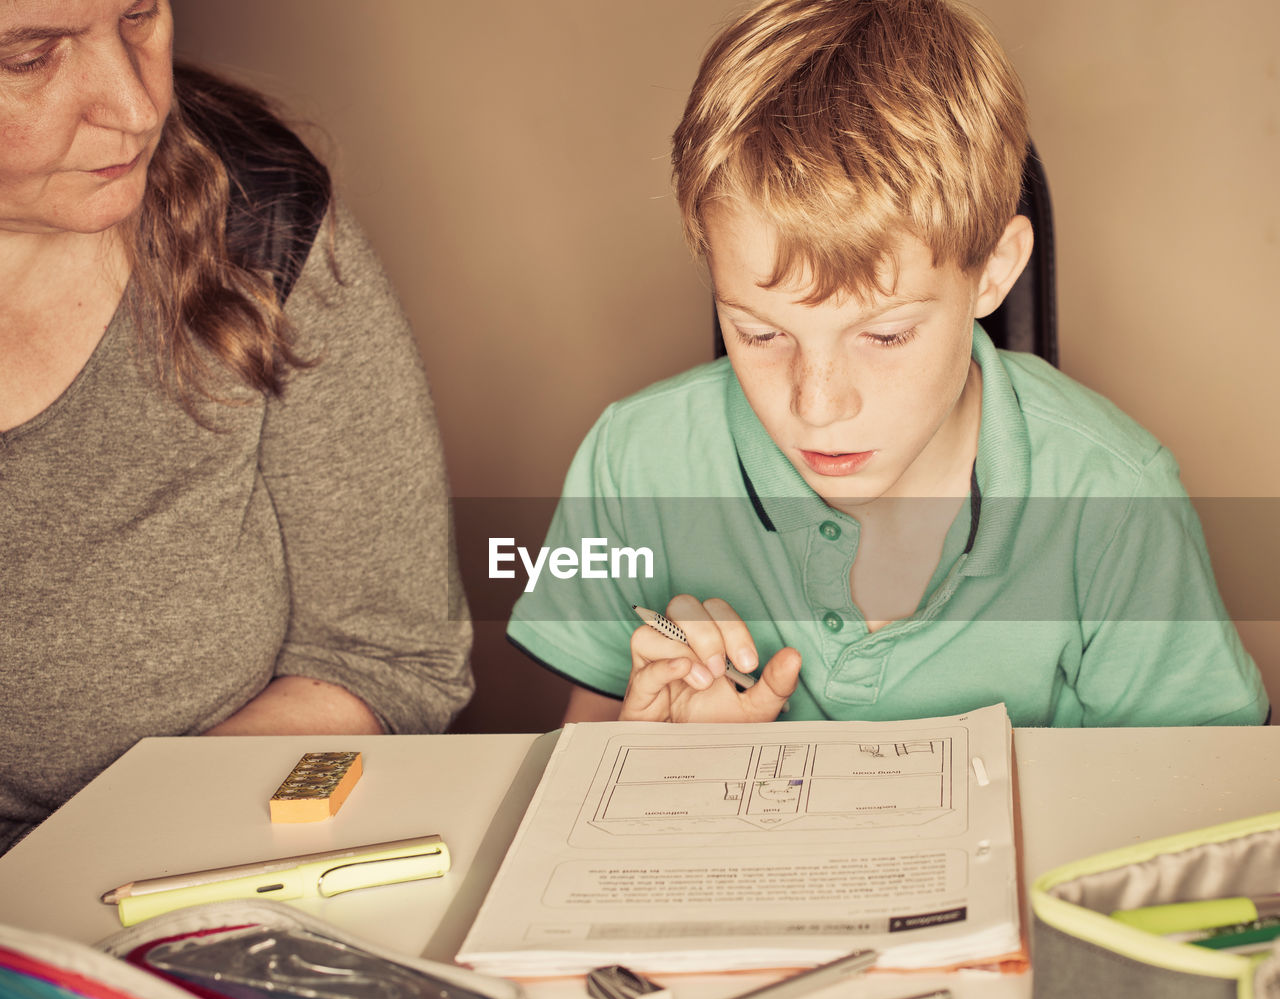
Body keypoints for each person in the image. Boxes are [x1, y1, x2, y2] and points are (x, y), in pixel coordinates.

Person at [507, 0, 1267, 729]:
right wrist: (656, 750)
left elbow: (1201, 814)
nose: (818, 403)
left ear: (995, 271)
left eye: (886, 335)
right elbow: (589, 752)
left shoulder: (1116, 499)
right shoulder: (632, 464)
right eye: (761, 334)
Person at [0, 0, 473, 853]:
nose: (140, 107)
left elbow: (389, 655)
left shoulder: (259, 221)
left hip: (208, 863)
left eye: (141, 14)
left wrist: (102, 849)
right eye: (30, 56)